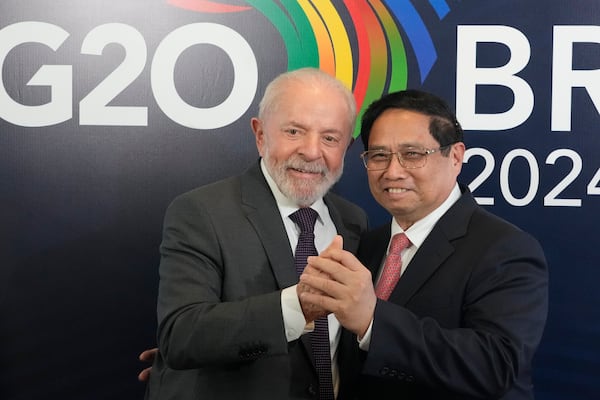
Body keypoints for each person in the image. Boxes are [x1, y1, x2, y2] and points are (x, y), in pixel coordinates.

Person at [298, 89, 549, 399]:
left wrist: (373, 321)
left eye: (412, 154)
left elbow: (496, 366)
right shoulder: (366, 245)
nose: (393, 171)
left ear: (455, 156)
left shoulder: (506, 249)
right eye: (379, 155)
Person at [144, 68, 368, 400]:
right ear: (260, 134)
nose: (311, 151)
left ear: (346, 148)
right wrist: (297, 307)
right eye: (294, 131)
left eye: (330, 138)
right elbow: (182, 335)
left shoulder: (354, 221)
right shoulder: (200, 211)